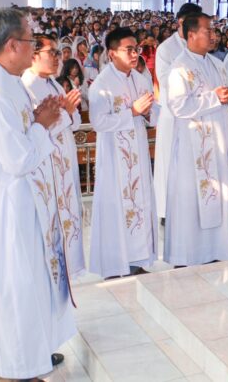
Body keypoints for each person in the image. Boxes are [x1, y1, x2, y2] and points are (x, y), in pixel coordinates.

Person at [0, 8, 74, 380]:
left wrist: (40, 117)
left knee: (31, 287)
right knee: (16, 290)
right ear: (12, 45)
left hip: (26, 203)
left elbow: (23, 131)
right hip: (9, 212)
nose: (34, 48)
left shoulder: (8, 81)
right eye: (30, 41)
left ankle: (32, 358)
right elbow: (17, 159)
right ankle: (14, 371)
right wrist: (43, 125)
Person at [165, 13, 228, 265]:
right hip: (191, 148)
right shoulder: (179, 68)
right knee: (191, 199)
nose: (214, 35)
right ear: (191, 34)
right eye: (208, 30)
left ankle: (216, 250)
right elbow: (178, 106)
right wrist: (215, 97)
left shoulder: (217, 64)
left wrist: (227, 97)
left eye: (214, 30)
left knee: (219, 194)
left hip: (216, 143)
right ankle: (190, 254)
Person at [88, 27, 159, 279]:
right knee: (118, 205)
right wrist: (133, 113)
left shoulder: (139, 78)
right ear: (111, 53)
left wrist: (149, 112)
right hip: (115, 158)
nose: (135, 54)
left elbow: (153, 112)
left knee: (140, 202)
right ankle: (117, 263)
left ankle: (138, 259)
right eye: (129, 49)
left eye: (136, 49)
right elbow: (98, 122)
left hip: (137, 151)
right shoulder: (101, 85)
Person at [22, 35, 86, 277]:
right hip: (46, 164)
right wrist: (66, 113)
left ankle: (68, 267)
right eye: (53, 52)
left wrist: (69, 112)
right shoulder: (27, 86)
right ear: (34, 55)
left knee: (68, 217)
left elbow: (74, 122)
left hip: (64, 161)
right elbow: (38, 130)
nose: (59, 57)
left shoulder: (54, 84)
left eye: (59, 53)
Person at [154, 3, 201, 222]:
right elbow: (166, 82)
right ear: (180, 22)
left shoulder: (200, 48)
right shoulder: (166, 49)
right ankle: (165, 210)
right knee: (168, 162)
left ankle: (190, 207)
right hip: (173, 115)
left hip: (196, 113)